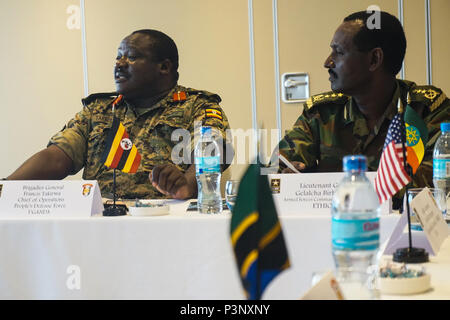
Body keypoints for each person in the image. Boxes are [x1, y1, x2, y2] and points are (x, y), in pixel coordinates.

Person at [6, 29, 231, 200]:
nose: (119, 64)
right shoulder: (99, 109)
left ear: (164, 67)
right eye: (118, 56)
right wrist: (5, 189)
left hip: (167, 222)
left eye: (131, 57)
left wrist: (188, 185)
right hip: (103, 224)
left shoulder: (196, 105)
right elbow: (57, 157)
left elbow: (214, 148)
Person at [276, 11, 449, 208]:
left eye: (338, 52)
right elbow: (273, 172)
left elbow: (436, 186)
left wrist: (320, 187)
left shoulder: (425, 111)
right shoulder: (321, 114)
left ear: (374, 59)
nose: (327, 62)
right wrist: (289, 180)